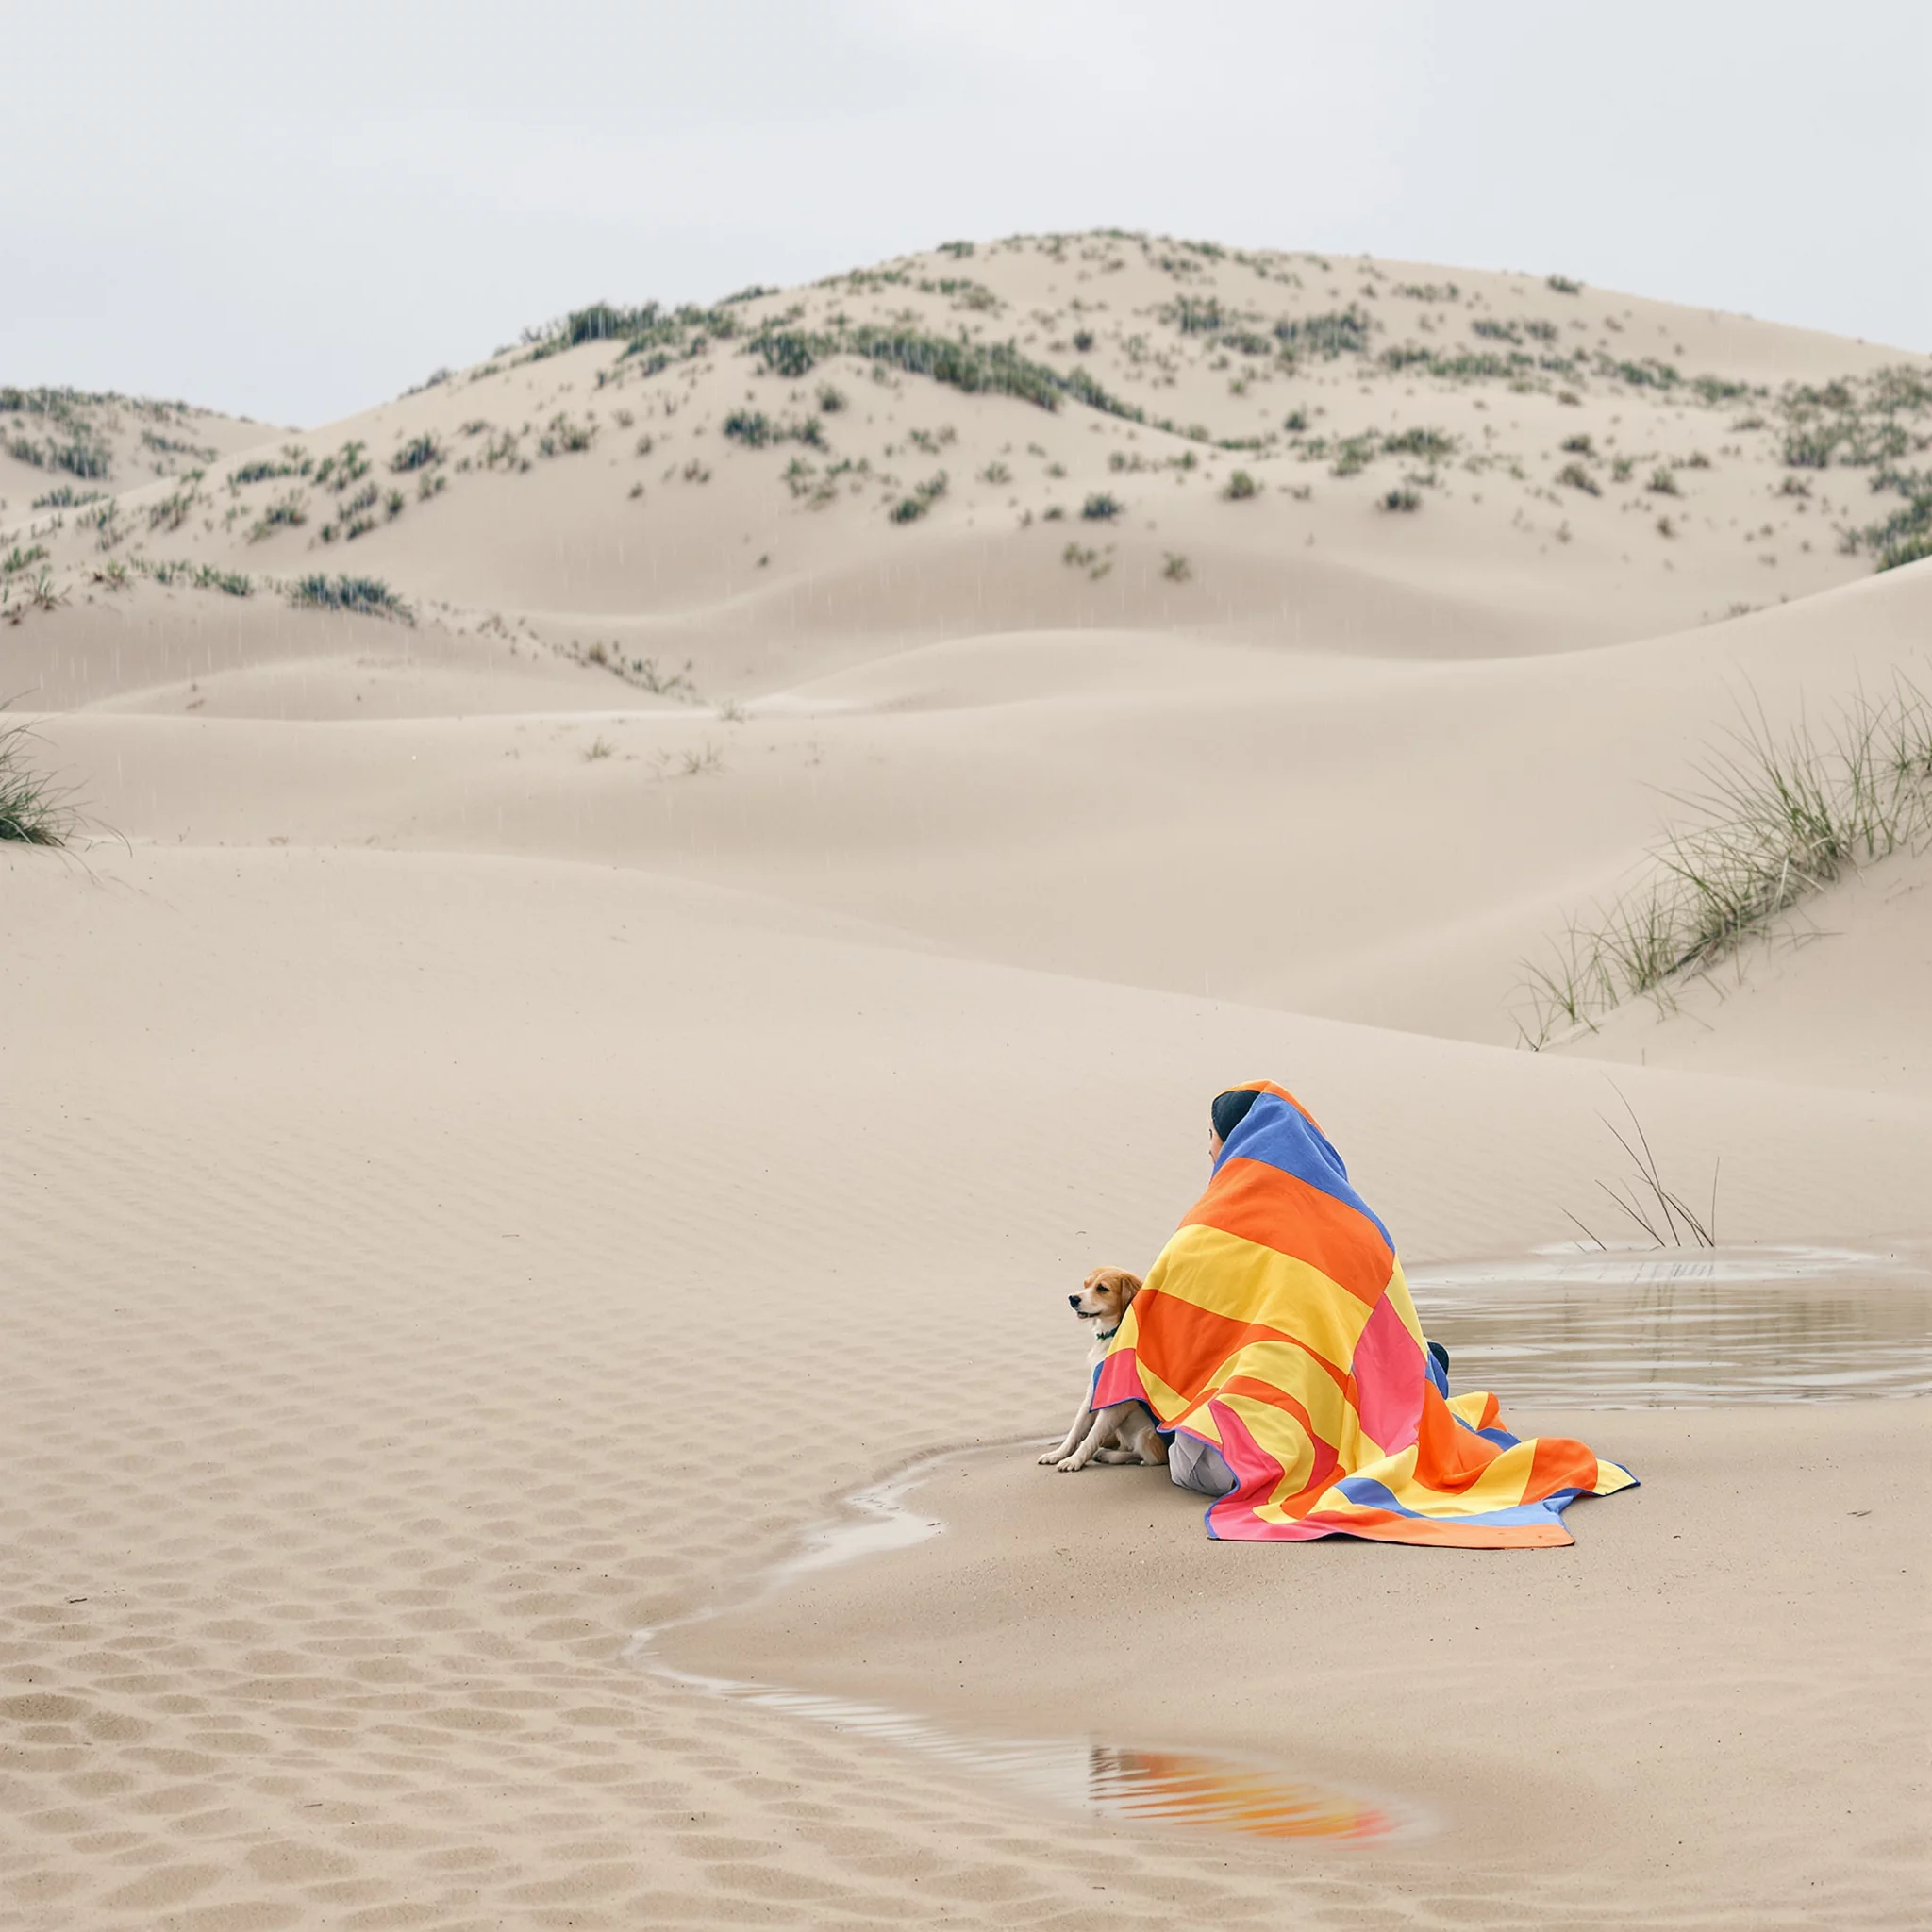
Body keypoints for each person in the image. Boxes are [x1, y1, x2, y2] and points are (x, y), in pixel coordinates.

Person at [1091, 1081, 1636, 1546]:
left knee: (1191, 1454)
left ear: (1237, 1142)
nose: (1209, 1151)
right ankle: (1424, 1379)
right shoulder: (1361, 1225)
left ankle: (1407, 1384)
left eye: (1212, 1138)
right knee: (1392, 1381)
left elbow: (1152, 1326)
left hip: (1244, 1460)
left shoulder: (1211, 1228)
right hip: (1346, 1427)